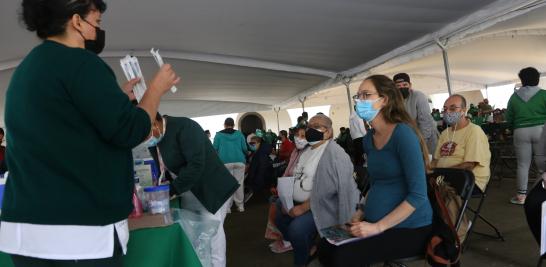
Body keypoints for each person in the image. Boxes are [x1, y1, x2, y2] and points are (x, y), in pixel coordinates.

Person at [0, 1, 180, 266]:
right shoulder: (81, 63)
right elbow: (130, 130)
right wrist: (155, 90)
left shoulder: (27, 70)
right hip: (78, 233)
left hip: (26, 230)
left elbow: (66, 126)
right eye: (96, 23)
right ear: (76, 22)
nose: (98, 30)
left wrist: (114, 99)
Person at [319, 75, 432, 266]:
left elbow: (418, 195)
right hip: (374, 222)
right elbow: (376, 184)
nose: (359, 100)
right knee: (325, 246)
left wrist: (377, 227)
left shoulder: (403, 135)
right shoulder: (368, 139)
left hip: (409, 227)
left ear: (384, 100)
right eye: (358, 96)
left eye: (366, 95)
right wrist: (360, 211)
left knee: (342, 256)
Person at [148, 114, 239, 267]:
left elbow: (196, 164)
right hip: (188, 190)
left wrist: (171, 191)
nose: (145, 138)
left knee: (212, 235)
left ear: (155, 122)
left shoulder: (184, 127)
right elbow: (162, 168)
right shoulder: (155, 140)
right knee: (196, 236)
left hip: (212, 188)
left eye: (145, 132)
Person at [275, 114, 359, 267]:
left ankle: (302, 259)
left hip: (323, 205)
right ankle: (308, 247)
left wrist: (302, 207)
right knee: (278, 212)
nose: (311, 130)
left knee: (296, 230)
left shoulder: (335, 154)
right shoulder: (307, 149)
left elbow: (336, 191)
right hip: (301, 200)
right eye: (309, 126)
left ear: (328, 132)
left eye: (317, 126)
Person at [431, 94, 491, 193]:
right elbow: (436, 160)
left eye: (453, 108)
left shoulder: (474, 131)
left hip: (469, 179)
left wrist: (442, 174)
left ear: (463, 110)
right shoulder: (445, 133)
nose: (448, 112)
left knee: (438, 192)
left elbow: (469, 165)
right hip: (444, 177)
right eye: (445, 109)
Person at [506, 67, 546, 204]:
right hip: (541, 130)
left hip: (520, 132)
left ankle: (521, 196)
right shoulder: (543, 94)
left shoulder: (514, 97)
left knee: (523, 165)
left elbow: (509, 117)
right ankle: (541, 194)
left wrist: (512, 128)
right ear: (537, 79)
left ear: (522, 80)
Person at [267, 126, 308, 254]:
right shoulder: (295, 151)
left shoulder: (309, 153)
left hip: (301, 192)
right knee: (274, 202)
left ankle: (289, 240)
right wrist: (281, 186)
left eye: (303, 136)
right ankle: (286, 238)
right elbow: (288, 170)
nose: (299, 139)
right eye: (297, 136)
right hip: (289, 187)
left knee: (279, 210)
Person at [393, 73, 439, 155]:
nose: (402, 87)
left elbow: (425, 122)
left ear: (410, 85)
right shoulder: (393, 101)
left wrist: (420, 144)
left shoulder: (418, 96)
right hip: (409, 139)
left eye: (404, 84)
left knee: (430, 162)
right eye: (398, 86)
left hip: (427, 138)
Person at [212, 118, 248, 212]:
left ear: (224, 125)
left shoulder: (218, 135)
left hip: (225, 163)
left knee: (227, 184)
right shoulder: (239, 134)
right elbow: (245, 148)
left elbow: (214, 149)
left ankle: (228, 208)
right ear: (234, 125)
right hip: (239, 161)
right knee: (239, 183)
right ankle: (240, 206)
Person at [245, 135, 274, 200]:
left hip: (261, 178)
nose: (251, 145)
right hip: (260, 177)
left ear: (259, 143)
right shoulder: (258, 151)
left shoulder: (261, 153)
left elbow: (262, 168)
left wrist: (252, 178)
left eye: (253, 143)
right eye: (250, 143)